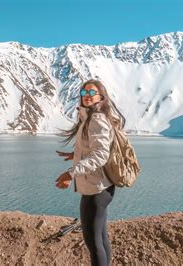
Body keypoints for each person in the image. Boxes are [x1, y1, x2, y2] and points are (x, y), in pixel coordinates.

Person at [56, 79, 125, 266]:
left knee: (94, 244)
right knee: (101, 239)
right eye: (83, 93)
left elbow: (101, 155)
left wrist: (71, 173)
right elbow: (95, 149)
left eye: (91, 93)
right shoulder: (90, 117)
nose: (86, 97)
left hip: (96, 191)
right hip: (102, 187)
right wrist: (75, 154)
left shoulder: (96, 119)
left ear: (101, 97)